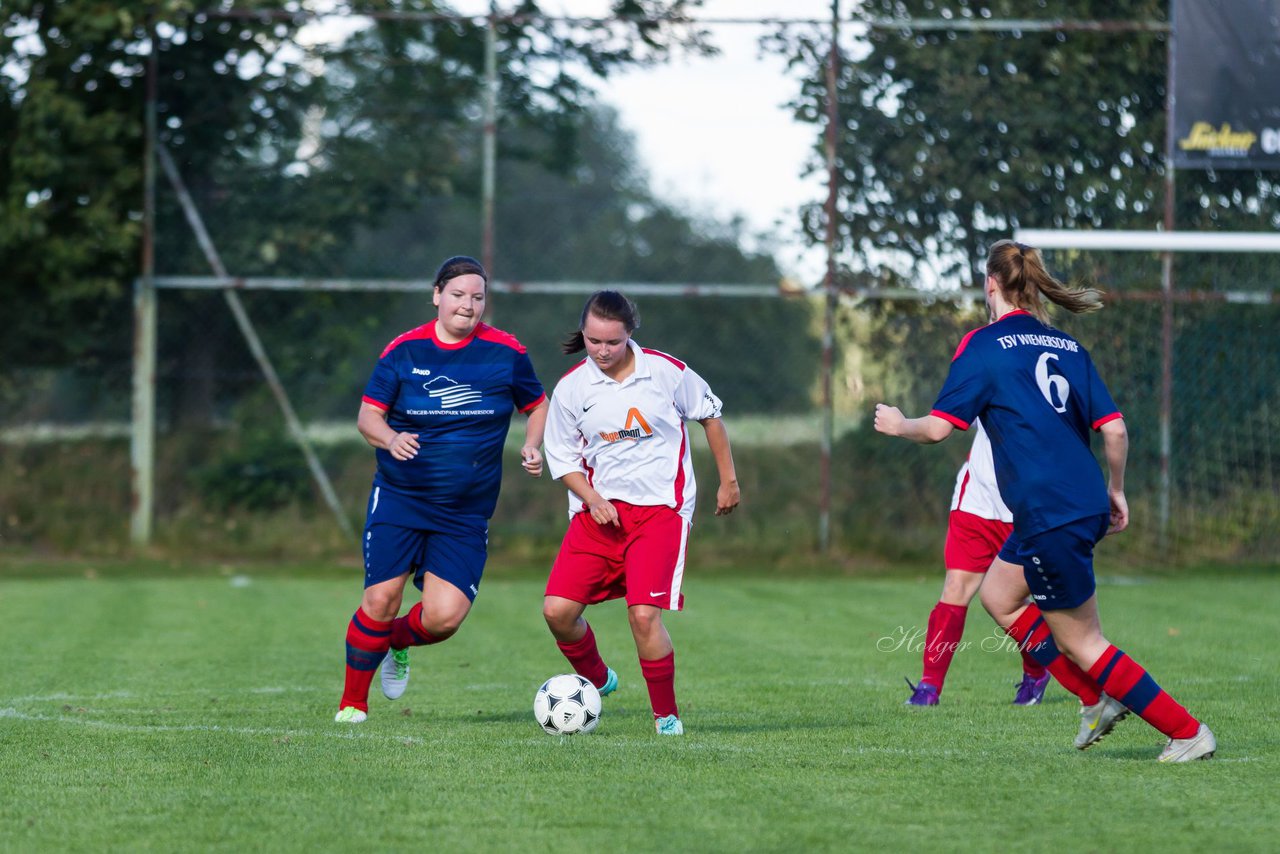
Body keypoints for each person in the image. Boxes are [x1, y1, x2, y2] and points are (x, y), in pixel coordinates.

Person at [875, 239, 1214, 762]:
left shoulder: (982, 345)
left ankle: (1186, 730)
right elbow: (1117, 430)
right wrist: (1116, 490)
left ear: (991, 284)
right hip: (1076, 501)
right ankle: (1093, 698)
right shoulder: (1070, 347)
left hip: (1050, 511)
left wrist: (899, 425)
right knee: (999, 595)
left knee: (1086, 643)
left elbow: (939, 429)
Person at [335, 255, 549, 723]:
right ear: (437, 295)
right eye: (458, 295)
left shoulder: (506, 353)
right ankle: (352, 704)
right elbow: (367, 417)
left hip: (465, 511)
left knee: (444, 617)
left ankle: (394, 642)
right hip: (401, 497)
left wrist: (533, 446)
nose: (468, 306)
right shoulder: (404, 351)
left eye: (477, 297)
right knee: (379, 600)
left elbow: (537, 404)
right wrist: (391, 438)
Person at [540, 290, 740, 736]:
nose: (602, 351)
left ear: (630, 333)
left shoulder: (666, 373)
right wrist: (592, 499)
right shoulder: (572, 388)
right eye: (594, 341)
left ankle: (666, 717)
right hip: (598, 515)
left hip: (661, 514)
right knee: (557, 612)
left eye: (612, 342)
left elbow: (710, 417)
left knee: (644, 616)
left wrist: (729, 480)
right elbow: (563, 459)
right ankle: (597, 678)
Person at [903, 418, 1051, 707]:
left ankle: (1036, 673)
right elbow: (943, 421)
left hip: (1025, 507)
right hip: (976, 502)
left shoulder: (1057, 379)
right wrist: (904, 424)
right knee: (956, 588)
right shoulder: (987, 372)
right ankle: (929, 687)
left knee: (1017, 599)